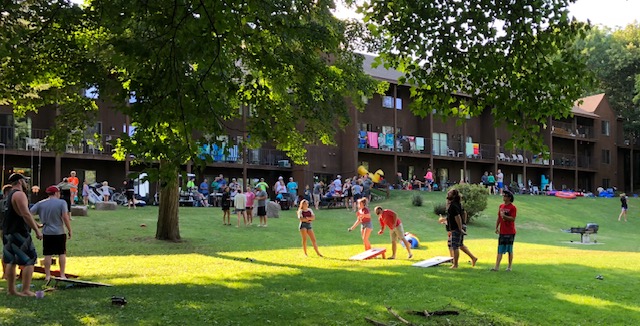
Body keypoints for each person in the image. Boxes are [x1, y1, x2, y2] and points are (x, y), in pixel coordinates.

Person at [2, 173, 43, 296]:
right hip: (19, 232)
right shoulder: (20, 194)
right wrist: (37, 231)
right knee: (30, 259)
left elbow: (21, 213)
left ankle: (11, 290)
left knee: (11, 261)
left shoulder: (9, 195)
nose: (26, 183)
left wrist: (36, 224)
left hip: (8, 231)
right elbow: (25, 214)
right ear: (20, 181)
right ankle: (25, 290)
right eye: (25, 181)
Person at [29, 185, 72, 283]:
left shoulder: (41, 203)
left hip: (47, 232)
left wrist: (37, 225)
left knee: (47, 254)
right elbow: (65, 217)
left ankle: (48, 275)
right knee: (62, 253)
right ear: (56, 193)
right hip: (59, 231)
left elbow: (29, 214)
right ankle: (62, 274)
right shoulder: (62, 203)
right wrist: (69, 229)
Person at [442, 189, 474, 269]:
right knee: (460, 245)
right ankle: (473, 258)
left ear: (453, 196)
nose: (448, 193)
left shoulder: (453, 205)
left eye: (450, 193)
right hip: (457, 227)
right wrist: (464, 224)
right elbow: (464, 213)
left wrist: (460, 228)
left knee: (455, 246)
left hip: (456, 228)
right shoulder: (457, 204)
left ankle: (455, 265)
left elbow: (458, 217)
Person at [492, 191, 517, 271]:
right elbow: (499, 218)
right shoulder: (501, 206)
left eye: (505, 196)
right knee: (500, 248)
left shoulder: (513, 207)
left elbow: (513, 219)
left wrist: (504, 216)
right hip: (502, 231)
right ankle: (496, 267)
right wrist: (496, 227)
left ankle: (509, 266)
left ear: (509, 198)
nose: (503, 197)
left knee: (509, 249)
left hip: (510, 231)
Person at [1, 184, 12, 280]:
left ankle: (5, 273)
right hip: (10, 229)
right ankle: (9, 273)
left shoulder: (0, 203)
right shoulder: (11, 202)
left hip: (2, 229)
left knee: (5, 249)